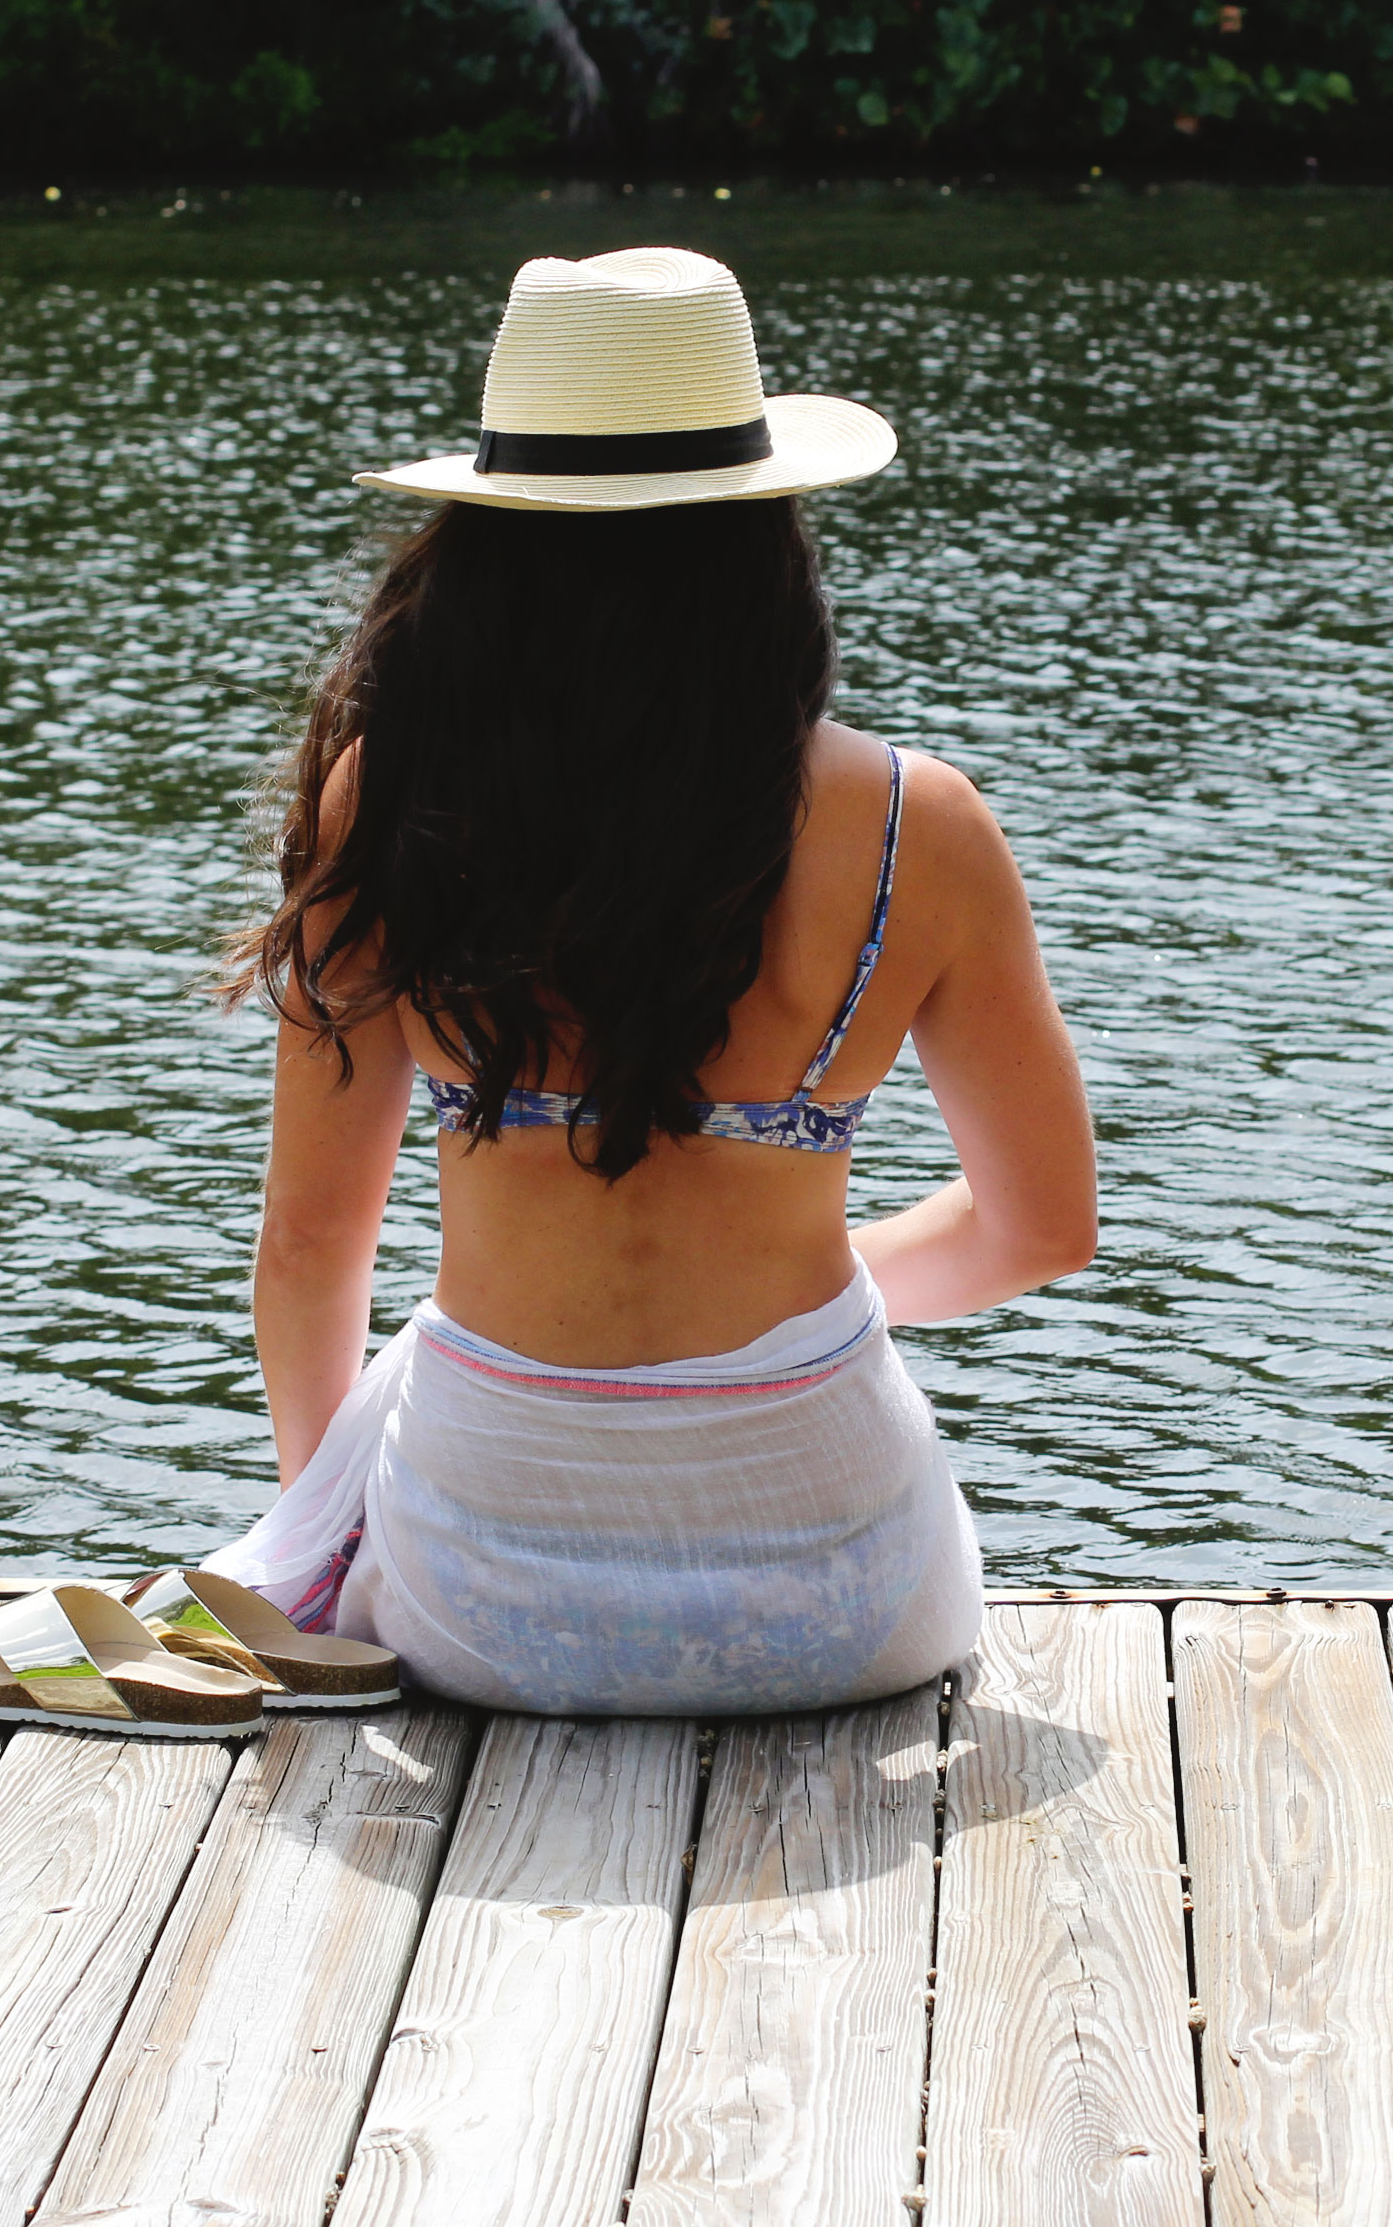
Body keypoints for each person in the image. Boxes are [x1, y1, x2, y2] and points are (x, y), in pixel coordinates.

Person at [199, 246, 1096, 1716]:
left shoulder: (382, 800)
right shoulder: (915, 828)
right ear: (765, 537)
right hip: (846, 1602)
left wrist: (323, 1534)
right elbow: (1044, 1228)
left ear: (485, 540)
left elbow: (307, 1251)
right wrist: (792, 1315)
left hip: (475, 1604)